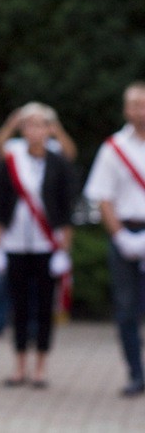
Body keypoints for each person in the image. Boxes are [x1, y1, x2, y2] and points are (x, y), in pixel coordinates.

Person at [0, 102, 76, 389]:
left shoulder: (57, 161)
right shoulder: (13, 156)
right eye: (28, 125)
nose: (33, 130)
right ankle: (19, 365)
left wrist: (64, 247)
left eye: (39, 125)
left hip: (46, 243)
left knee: (44, 306)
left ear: (48, 129)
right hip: (15, 240)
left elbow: (66, 204)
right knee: (19, 304)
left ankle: (40, 367)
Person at [84, 82, 145, 398]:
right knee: (125, 309)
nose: (140, 110)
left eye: (143, 103)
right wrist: (121, 236)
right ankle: (136, 372)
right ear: (125, 109)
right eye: (134, 104)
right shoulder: (113, 148)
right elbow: (102, 197)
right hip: (125, 232)